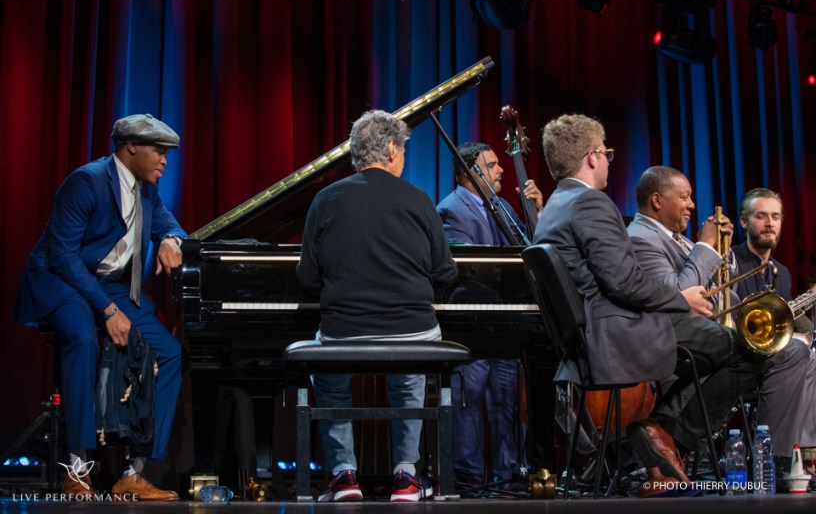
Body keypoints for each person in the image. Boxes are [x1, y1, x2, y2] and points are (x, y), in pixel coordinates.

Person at [534, 114, 764, 497]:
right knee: (750, 347)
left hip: (592, 336)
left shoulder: (555, 206)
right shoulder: (590, 203)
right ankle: (668, 433)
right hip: (619, 333)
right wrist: (680, 299)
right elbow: (623, 282)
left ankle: (659, 439)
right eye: (606, 153)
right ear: (591, 157)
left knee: (714, 346)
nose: (609, 161)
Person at [14, 114, 185, 501]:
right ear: (130, 148)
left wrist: (170, 239)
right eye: (158, 151)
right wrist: (108, 311)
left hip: (106, 282)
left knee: (170, 353)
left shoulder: (147, 188)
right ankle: (77, 470)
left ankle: (134, 472)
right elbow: (62, 255)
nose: (164, 160)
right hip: (62, 278)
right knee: (83, 341)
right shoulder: (86, 182)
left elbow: (168, 223)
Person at [296, 110, 458, 503]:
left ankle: (344, 476)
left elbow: (308, 278)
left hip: (344, 329)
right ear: (391, 150)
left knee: (329, 379)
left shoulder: (325, 199)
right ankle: (406, 475)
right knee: (409, 379)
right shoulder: (419, 200)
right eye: (402, 150)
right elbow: (445, 273)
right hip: (412, 328)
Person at [627, 169, 810, 461]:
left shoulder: (675, 239)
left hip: (707, 331)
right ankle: (678, 434)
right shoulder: (641, 238)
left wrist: (723, 253)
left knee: (794, 350)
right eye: (684, 197)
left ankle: (777, 456)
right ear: (657, 200)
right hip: (668, 337)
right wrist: (705, 246)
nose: (691, 205)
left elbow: (721, 290)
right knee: (756, 350)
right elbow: (675, 296)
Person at [436, 142, 542, 488]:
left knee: (506, 399)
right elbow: (467, 268)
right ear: (470, 172)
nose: (501, 170)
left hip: (508, 323)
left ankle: (509, 473)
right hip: (474, 325)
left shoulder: (503, 207)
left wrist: (536, 212)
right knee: (470, 399)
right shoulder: (450, 210)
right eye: (493, 165)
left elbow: (532, 250)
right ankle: (467, 477)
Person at [731, 187, 816, 450]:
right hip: (740, 357)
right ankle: (775, 454)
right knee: (799, 353)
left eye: (775, 216)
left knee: (811, 354)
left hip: (776, 358)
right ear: (744, 221)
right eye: (761, 216)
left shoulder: (782, 272)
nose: (770, 223)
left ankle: (805, 452)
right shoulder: (730, 261)